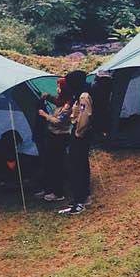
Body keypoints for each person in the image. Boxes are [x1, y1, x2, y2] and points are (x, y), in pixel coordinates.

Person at [42, 69, 94, 215]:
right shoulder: (80, 94)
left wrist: (77, 132)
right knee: (80, 166)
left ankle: (79, 201)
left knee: (78, 167)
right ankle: (82, 197)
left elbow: (85, 116)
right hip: (80, 135)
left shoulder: (83, 96)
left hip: (80, 136)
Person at [35, 77, 71, 203]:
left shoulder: (68, 105)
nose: (57, 89)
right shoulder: (62, 101)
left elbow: (59, 121)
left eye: (59, 87)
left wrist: (45, 115)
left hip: (60, 137)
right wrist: (48, 96)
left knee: (57, 165)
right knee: (49, 163)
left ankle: (58, 193)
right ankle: (48, 189)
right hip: (52, 136)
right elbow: (57, 102)